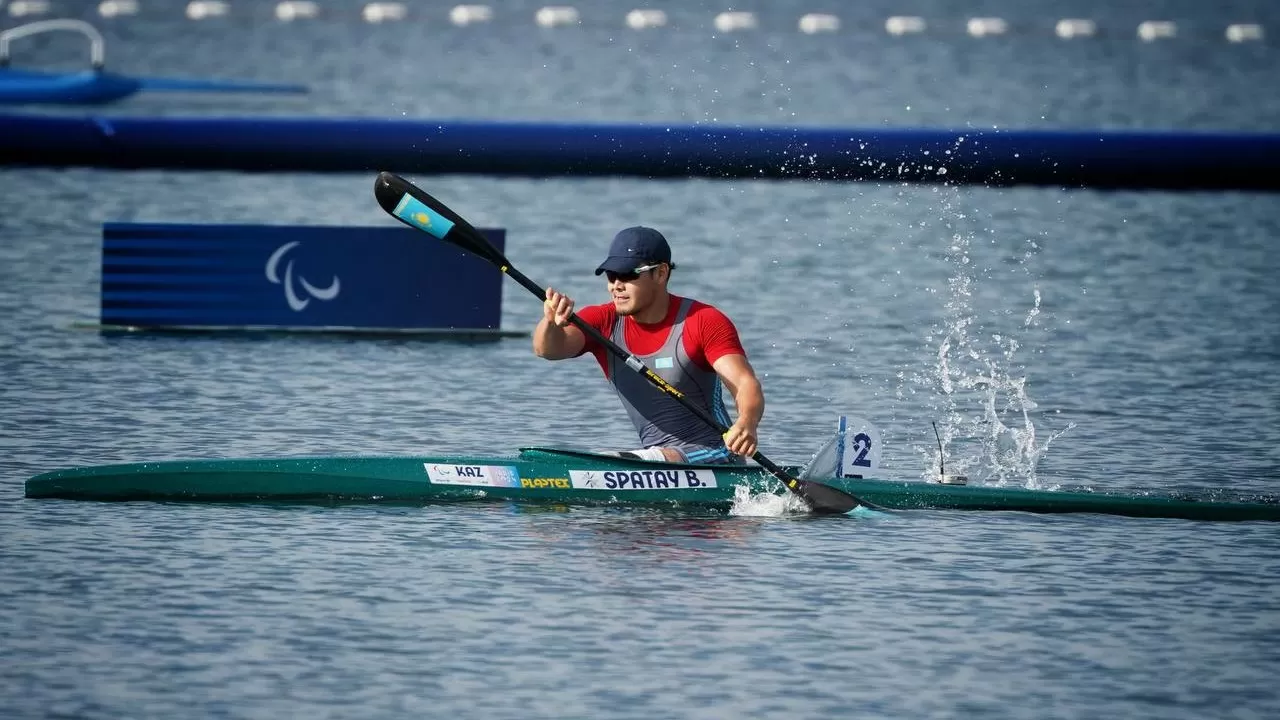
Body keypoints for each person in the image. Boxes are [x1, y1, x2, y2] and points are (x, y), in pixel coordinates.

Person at [533, 226, 764, 465]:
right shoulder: (602, 321)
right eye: (611, 275)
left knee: (615, 461)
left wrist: (747, 422)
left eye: (628, 275)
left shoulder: (704, 321)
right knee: (610, 461)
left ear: (661, 273)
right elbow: (547, 350)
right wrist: (551, 323)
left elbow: (745, 383)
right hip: (655, 460)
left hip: (719, 454)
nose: (616, 285)